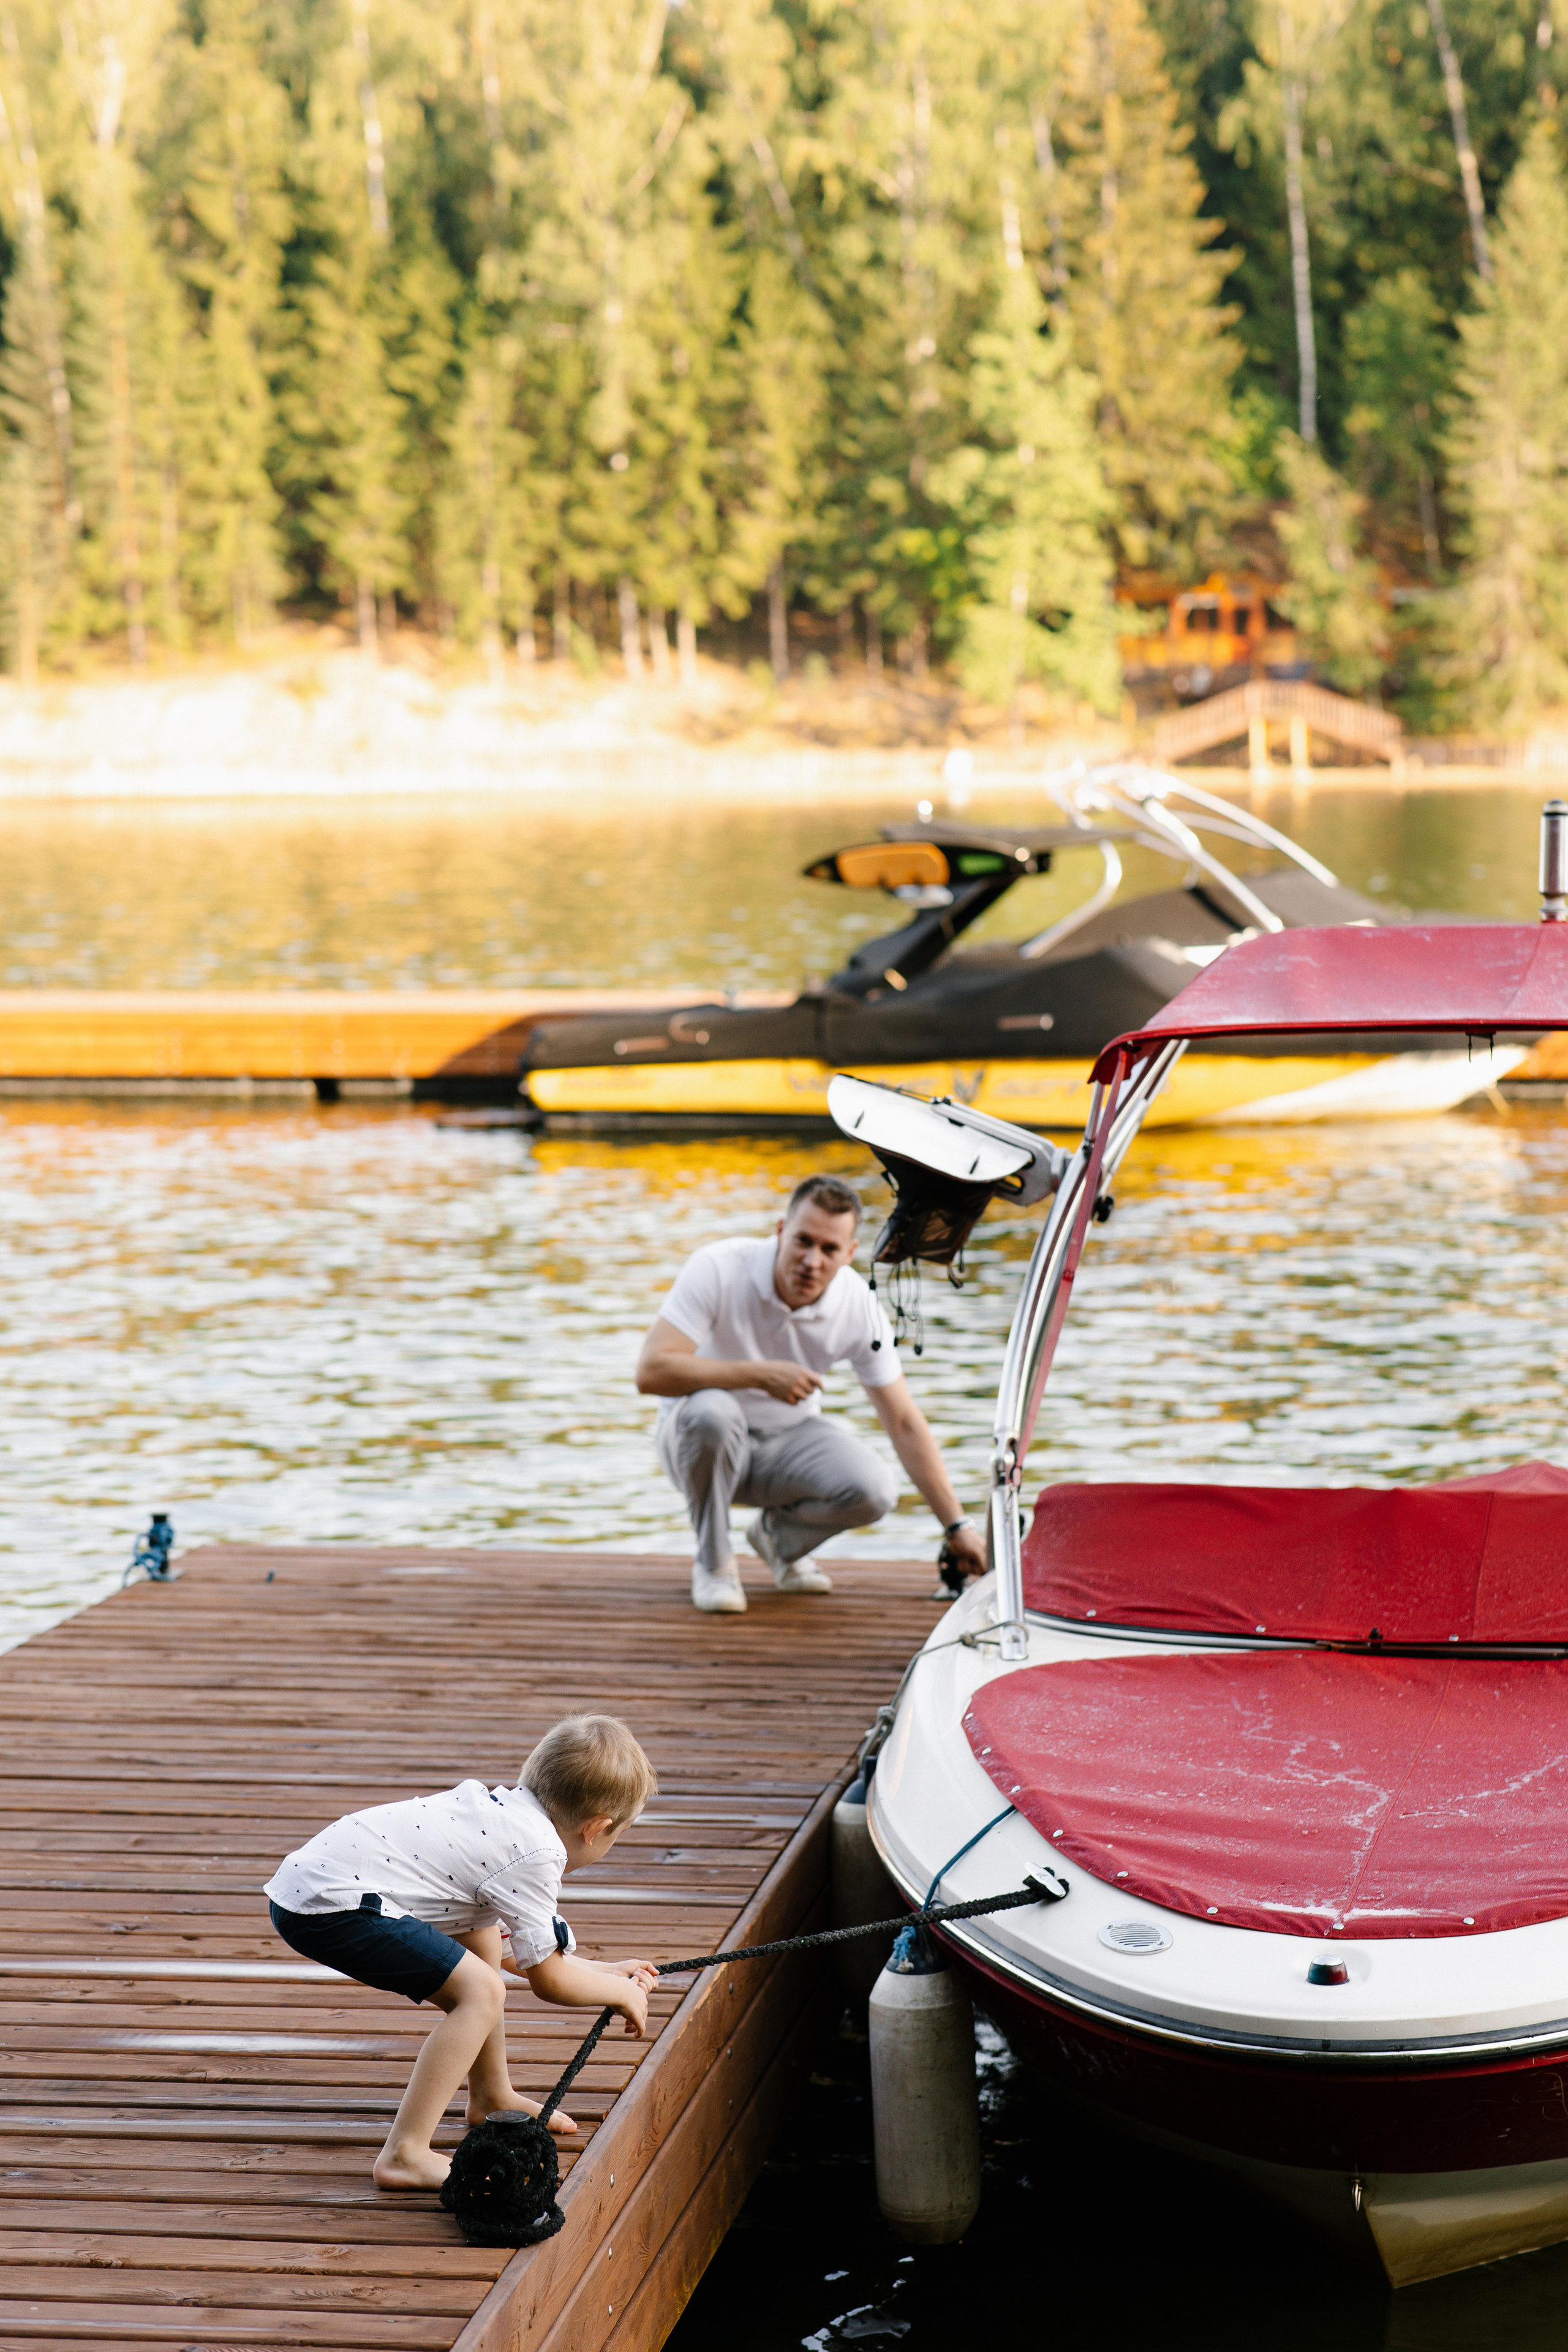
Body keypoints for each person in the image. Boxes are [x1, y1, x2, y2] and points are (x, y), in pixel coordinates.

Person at [262, 1713, 659, 2190]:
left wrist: (605, 1971)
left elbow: (524, 1953)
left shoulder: (502, 1815)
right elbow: (548, 1979)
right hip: (331, 1906)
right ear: (596, 1828)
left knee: (481, 1940)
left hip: (311, 1887)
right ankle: (406, 2154)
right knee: (481, 1990)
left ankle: (491, 2094)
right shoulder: (537, 1853)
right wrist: (618, 1993)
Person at [636, 1172, 988, 1613]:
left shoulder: (858, 1304)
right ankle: (713, 1563)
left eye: (829, 1249)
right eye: (803, 1241)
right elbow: (650, 1371)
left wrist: (957, 1526)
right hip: (696, 1443)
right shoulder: (719, 1266)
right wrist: (760, 1376)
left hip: (785, 1444)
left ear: (850, 1253)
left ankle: (777, 1541)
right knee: (713, 1414)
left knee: (874, 1489)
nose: (812, 1261)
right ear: (781, 1232)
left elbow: (902, 1420)